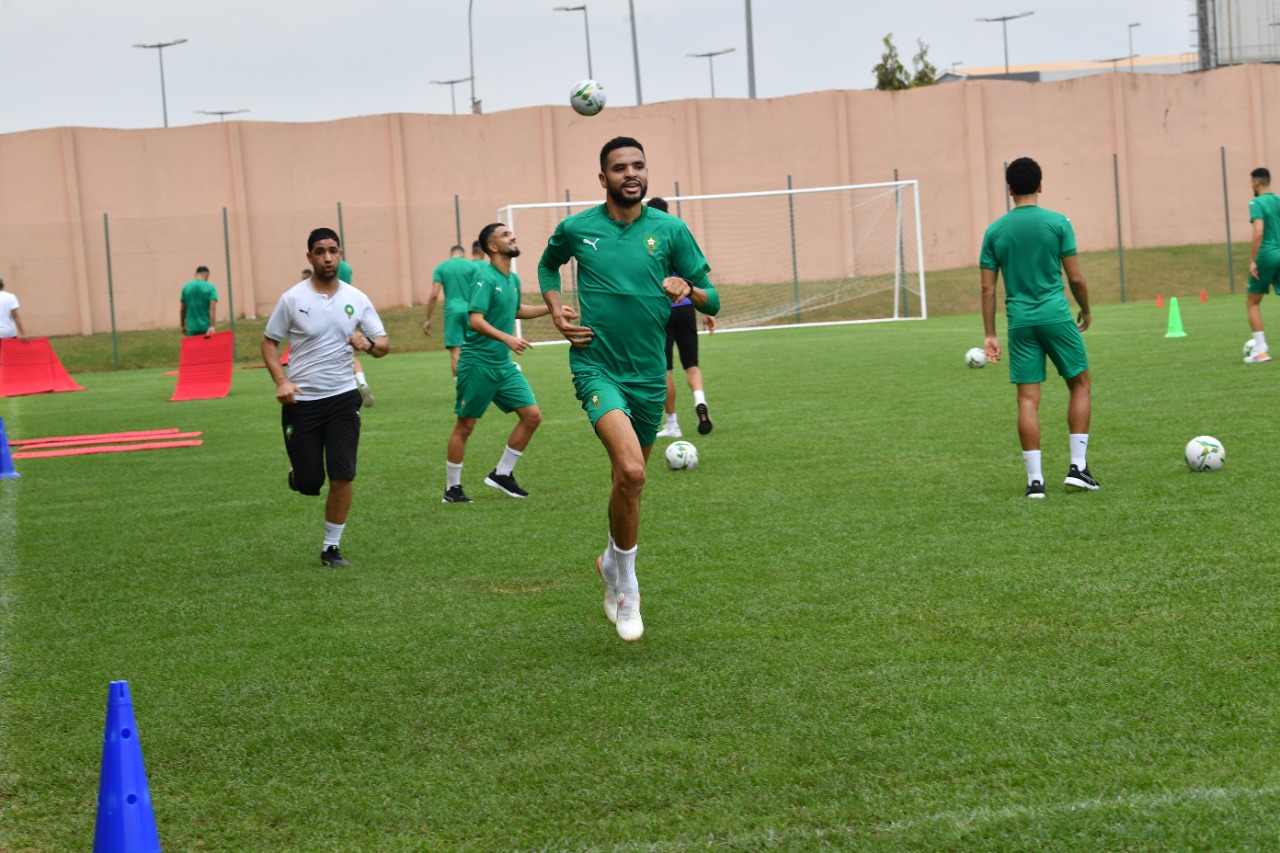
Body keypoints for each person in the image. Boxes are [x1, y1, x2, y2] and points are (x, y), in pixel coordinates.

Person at [538, 136, 721, 641]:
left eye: (638, 165)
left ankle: (610, 564)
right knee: (635, 470)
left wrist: (690, 288)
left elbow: (715, 299)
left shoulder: (671, 230)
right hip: (596, 366)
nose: (630, 174)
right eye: (619, 168)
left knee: (628, 484)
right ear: (603, 178)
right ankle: (628, 587)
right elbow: (546, 264)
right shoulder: (577, 228)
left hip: (647, 374)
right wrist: (556, 310)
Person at [262, 228, 388, 567]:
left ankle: (331, 547)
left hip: (343, 399)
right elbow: (269, 342)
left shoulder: (357, 298)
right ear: (310, 257)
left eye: (332, 251)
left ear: (341, 254)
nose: (327, 257)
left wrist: (369, 345)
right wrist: (281, 381)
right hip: (301, 402)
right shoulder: (292, 299)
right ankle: (299, 474)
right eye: (320, 251)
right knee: (309, 483)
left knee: (343, 473)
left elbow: (384, 345)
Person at [981, 157, 1096, 499]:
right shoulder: (1058, 223)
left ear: (1010, 189)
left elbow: (987, 289)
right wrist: (1086, 310)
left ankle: (1035, 482)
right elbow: (1075, 276)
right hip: (1057, 316)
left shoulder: (995, 231)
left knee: (1027, 399)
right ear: (1041, 185)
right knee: (1080, 384)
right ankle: (1078, 468)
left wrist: (990, 334)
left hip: (1020, 323)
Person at [443, 223, 574, 503]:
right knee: (465, 426)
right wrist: (507, 339)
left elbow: (516, 310)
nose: (513, 236)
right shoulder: (484, 277)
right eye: (505, 235)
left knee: (532, 416)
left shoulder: (511, 280)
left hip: (502, 366)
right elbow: (475, 320)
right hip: (477, 364)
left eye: (511, 233)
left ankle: (502, 474)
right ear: (492, 247)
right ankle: (452, 489)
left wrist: (553, 310)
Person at [647, 197, 717, 438]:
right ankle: (700, 400)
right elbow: (696, 277)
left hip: (663, 310)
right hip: (687, 306)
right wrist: (706, 311)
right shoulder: (679, 232)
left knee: (664, 369)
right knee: (692, 365)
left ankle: (673, 424)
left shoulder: (649, 240)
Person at [425, 244, 479, 377]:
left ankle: (460, 390)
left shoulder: (442, 267)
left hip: (452, 312)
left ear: (451, 254)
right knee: (474, 351)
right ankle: (475, 387)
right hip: (471, 312)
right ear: (463, 254)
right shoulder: (473, 267)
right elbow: (480, 291)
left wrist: (427, 319)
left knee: (456, 353)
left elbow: (434, 295)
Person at [1245, 167, 1280, 363]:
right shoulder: (1279, 200)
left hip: (1267, 255)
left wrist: (1253, 261)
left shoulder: (1256, 202)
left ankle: (1261, 350)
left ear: (1256, 183)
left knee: (1253, 302)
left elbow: (1258, 232)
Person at [335, 259, 375, 405]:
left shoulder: (326, 270)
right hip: (348, 312)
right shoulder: (347, 267)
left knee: (341, 356)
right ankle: (362, 383)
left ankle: (346, 388)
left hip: (334, 313)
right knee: (349, 354)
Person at [179, 266, 218, 337]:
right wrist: (212, 326)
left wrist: (183, 326)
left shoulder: (186, 287)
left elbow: (182, 309)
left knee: (194, 348)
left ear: (195, 274)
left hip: (191, 328)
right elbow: (213, 307)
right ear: (207, 275)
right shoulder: (211, 287)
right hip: (206, 328)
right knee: (208, 347)